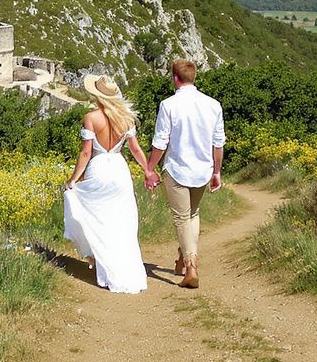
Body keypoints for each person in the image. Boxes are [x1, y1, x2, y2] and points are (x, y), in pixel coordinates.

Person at [62, 73, 152, 294]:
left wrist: (73, 180)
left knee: (97, 218)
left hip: (99, 168)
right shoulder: (126, 119)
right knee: (122, 222)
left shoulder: (91, 118)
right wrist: (148, 170)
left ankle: (98, 258)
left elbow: (85, 153)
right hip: (120, 171)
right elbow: (136, 150)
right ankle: (126, 270)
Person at [144, 58, 225, 289]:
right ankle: (182, 258)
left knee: (181, 217)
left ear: (175, 78)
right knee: (193, 214)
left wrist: (150, 168)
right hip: (203, 169)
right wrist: (216, 171)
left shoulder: (168, 105)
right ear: (194, 77)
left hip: (177, 169)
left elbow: (160, 142)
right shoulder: (213, 105)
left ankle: (191, 267)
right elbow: (218, 143)